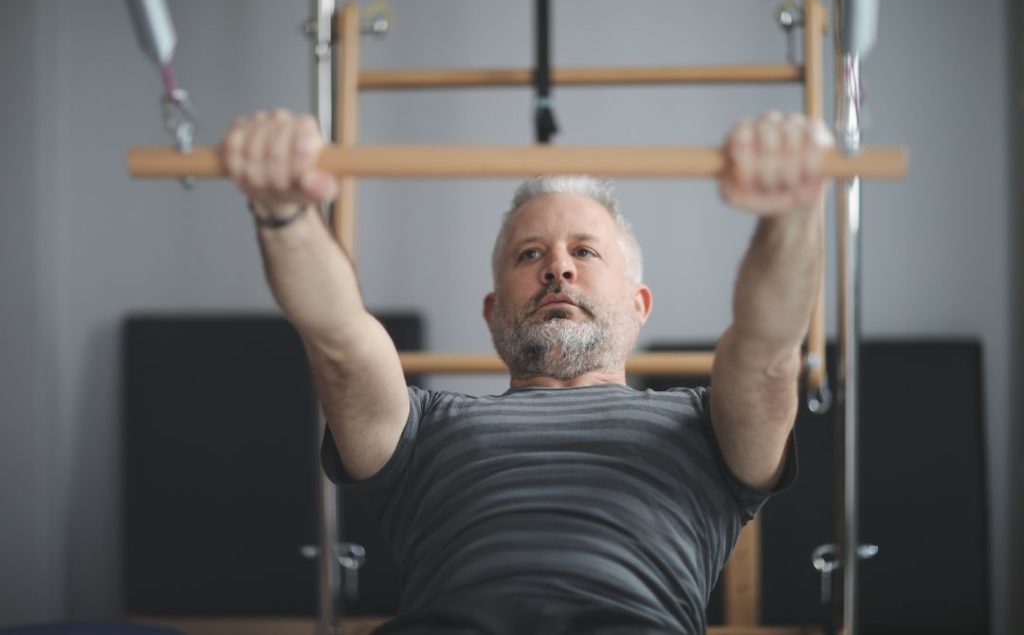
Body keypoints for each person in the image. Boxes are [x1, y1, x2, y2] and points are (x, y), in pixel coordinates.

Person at [223, 109, 833, 634]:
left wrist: (791, 212)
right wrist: (283, 214)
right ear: (494, 313)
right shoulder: (423, 428)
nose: (558, 270)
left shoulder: (706, 425)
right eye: (531, 253)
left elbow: (768, 352)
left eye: (585, 251)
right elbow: (339, 340)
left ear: (638, 305)